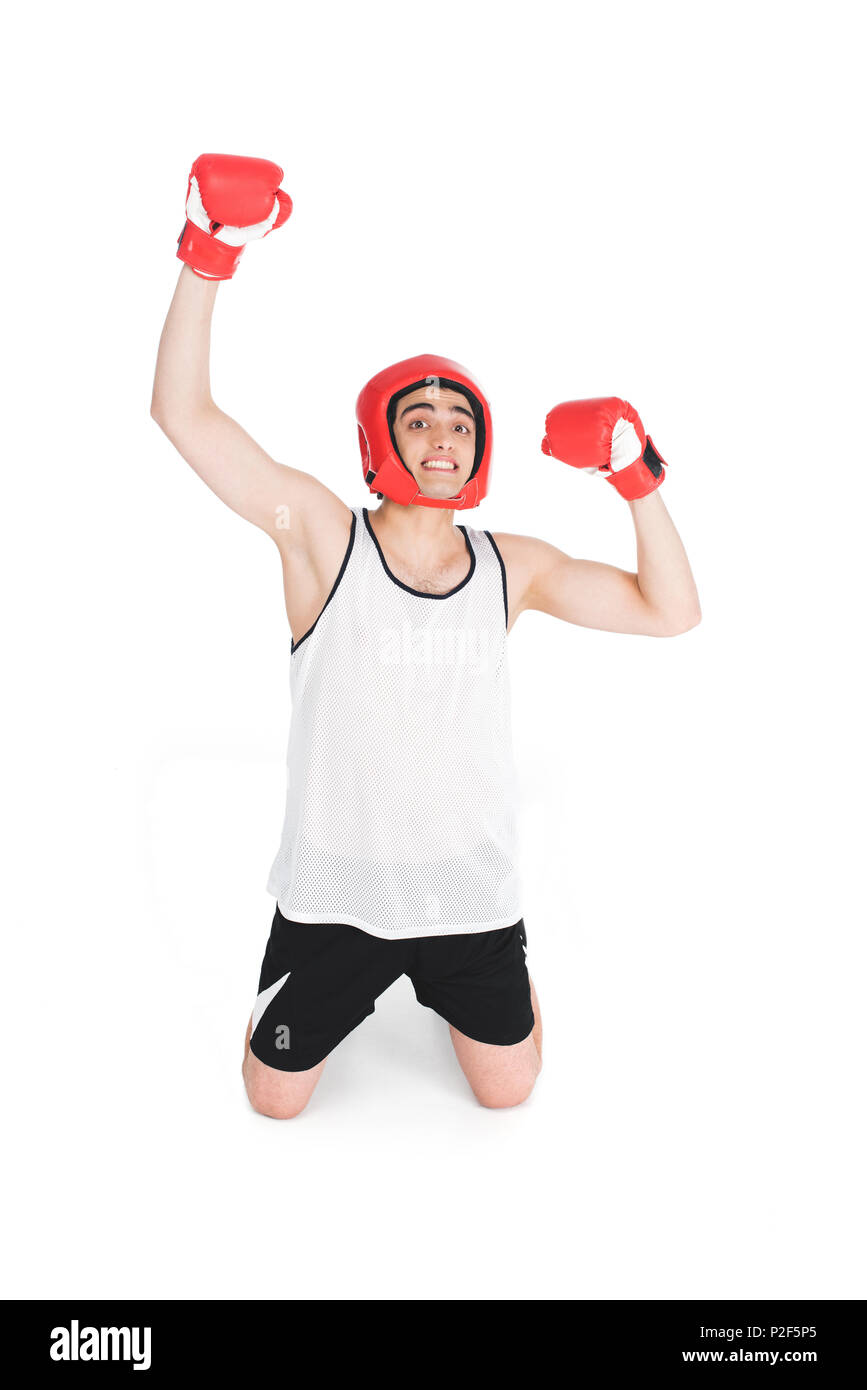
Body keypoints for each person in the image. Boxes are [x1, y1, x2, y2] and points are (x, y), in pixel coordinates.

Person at [151, 154, 701, 1118]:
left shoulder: (510, 565)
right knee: (271, 1102)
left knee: (509, 1094)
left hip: (467, 894)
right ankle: (325, 986)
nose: (443, 436)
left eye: (459, 421)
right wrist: (208, 257)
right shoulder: (321, 538)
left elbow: (671, 612)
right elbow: (183, 414)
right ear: (383, 444)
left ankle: (486, 984)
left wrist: (636, 476)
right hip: (336, 892)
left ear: (477, 450)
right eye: (419, 419)